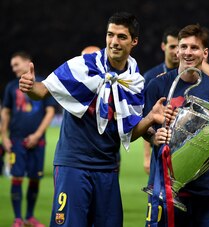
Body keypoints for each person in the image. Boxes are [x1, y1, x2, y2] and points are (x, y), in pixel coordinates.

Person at [19, 12, 170, 227]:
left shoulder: (134, 81)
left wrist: (150, 118)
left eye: (121, 36)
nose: (114, 42)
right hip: (74, 165)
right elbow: (42, 91)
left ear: (134, 41)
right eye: (110, 35)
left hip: (108, 169)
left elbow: (128, 132)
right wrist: (31, 87)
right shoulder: (83, 66)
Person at [144, 24, 209, 227]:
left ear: (204, 53)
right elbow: (143, 128)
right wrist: (153, 136)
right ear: (176, 49)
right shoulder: (158, 85)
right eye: (183, 47)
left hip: (201, 190)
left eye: (194, 47)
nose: (187, 52)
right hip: (162, 187)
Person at [1, 51, 56, 227]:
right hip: (16, 141)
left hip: (37, 141)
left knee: (34, 178)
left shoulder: (43, 84)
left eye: (16, 64)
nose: (14, 68)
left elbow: (50, 112)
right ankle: (18, 218)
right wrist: (4, 137)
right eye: (12, 66)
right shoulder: (11, 87)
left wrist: (37, 134)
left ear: (27, 63)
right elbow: (6, 112)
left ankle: (29, 217)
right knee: (17, 177)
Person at [143, 26, 180, 175]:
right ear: (163, 46)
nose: (176, 51)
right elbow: (145, 119)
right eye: (172, 46)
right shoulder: (151, 77)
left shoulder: (190, 76)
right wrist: (146, 156)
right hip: (160, 147)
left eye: (180, 46)